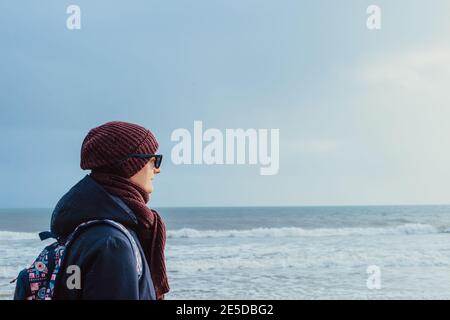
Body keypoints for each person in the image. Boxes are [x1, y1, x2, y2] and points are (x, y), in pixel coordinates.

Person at [50, 121, 169, 300]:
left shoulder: (85, 226)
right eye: (153, 160)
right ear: (130, 164)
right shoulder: (112, 243)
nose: (157, 170)